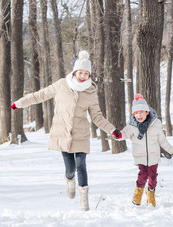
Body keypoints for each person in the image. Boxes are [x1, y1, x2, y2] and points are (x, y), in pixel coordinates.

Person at [10, 50, 119, 211]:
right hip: (62, 133)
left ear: (89, 75)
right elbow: (40, 95)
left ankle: (84, 200)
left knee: (81, 165)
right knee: (71, 168)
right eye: (80, 72)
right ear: (75, 72)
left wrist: (112, 130)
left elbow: (97, 117)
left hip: (81, 133)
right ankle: (69, 179)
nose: (83, 76)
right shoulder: (62, 84)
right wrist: (19, 103)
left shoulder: (91, 91)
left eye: (86, 73)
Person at [111, 94, 173, 207]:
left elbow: (162, 141)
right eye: (136, 113)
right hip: (140, 156)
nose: (139, 115)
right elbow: (124, 134)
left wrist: (172, 150)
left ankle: (151, 193)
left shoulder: (155, 125)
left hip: (154, 156)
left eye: (141, 112)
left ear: (147, 112)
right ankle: (138, 192)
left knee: (153, 177)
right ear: (133, 114)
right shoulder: (132, 126)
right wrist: (117, 134)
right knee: (143, 174)